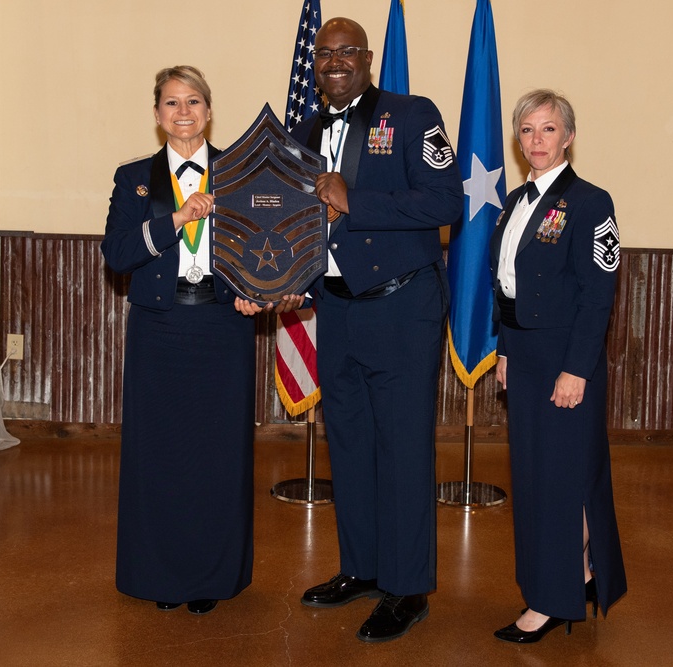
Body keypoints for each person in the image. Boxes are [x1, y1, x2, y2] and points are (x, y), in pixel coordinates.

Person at [289, 17, 464, 643]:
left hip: (401, 308)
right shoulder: (304, 130)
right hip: (333, 307)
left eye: (347, 53)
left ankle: (407, 586)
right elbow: (292, 220)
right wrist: (285, 278)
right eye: (325, 54)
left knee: (403, 450)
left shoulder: (413, 114)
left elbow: (448, 203)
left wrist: (353, 197)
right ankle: (361, 568)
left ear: (367, 58)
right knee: (352, 447)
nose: (335, 63)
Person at [101, 65, 262, 615]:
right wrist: (175, 219)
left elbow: (263, 251)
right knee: (160, 458)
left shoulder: (240, 173)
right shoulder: (133, 178)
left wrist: (258, 292)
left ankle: (211, 580)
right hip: (160, 330)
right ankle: (161, 576)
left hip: (223, 328)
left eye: (194, 101)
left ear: (209, 111)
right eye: (172, 103)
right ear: (156, 115)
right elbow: (118, 254)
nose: (184, 112)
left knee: (220, 458)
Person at [489, 89, 627, 643]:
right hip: (523, 356)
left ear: (568, 136)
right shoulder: (515, 202)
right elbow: (507, 287)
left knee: (563, 478)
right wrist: (504, 348)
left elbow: (599, 296)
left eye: (548, 130)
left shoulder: (592, 202)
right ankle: (581, 574)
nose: (536, 141)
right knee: (538, 476)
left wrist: (577, 370)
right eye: (526, 130)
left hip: (567, 360)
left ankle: (551, 598)